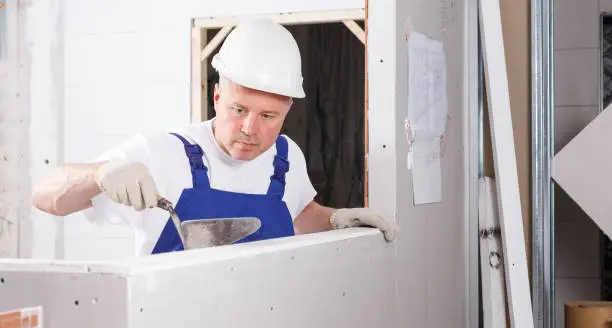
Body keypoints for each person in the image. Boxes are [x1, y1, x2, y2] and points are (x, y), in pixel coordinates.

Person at [31, 19, 399, 256]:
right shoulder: (163, 153)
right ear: (217, 97)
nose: (250, 129)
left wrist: (335, 220)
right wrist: (99, 175)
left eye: (268, 116)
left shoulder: (287, 157)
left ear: (288, 111)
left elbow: (299, 216)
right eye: (239, 110)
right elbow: (45, 196)